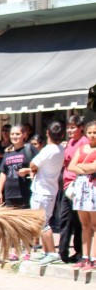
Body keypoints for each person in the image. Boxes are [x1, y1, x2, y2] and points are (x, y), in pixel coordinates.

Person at [26, 121, 65, 264]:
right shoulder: (60, 149)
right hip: (50, 190)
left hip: (42, 190)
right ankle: (47, 251)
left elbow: (33, 164)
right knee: (43, 221)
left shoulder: (48, 149)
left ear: (48, 133)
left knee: (42, 222)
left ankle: (52, 253)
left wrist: (33, 169)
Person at [56, 115, 87, 263]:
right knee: (64, 220)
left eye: (73, 127)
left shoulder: (84, 142)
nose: (70, 130)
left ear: (81, 128)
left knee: (78, 222)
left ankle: (80, 253)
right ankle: (63, 252)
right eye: (68, 127)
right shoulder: (69, 143)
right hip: (66, 186)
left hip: (78, 186)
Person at [67, 120, 96, 271]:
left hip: (93, 188)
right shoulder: (82, 147)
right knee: (84, 225)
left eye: (95, 132)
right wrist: (86, 168)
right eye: (90, 132)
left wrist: (81, 167)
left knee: (95, 225)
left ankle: (94, 257)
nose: (92, 135)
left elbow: (94, 167)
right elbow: (71, 166)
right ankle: (85, 257)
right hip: (81, 187)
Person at [0, 124, 36, 209]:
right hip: (9, 194)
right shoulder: (8, 152)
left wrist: (27, 170)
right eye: (12, 134)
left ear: (24, 135)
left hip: (26, 193)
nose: (14, 136)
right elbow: (3, 173)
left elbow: (40, 167)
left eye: (17, 134)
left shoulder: (29, 149)